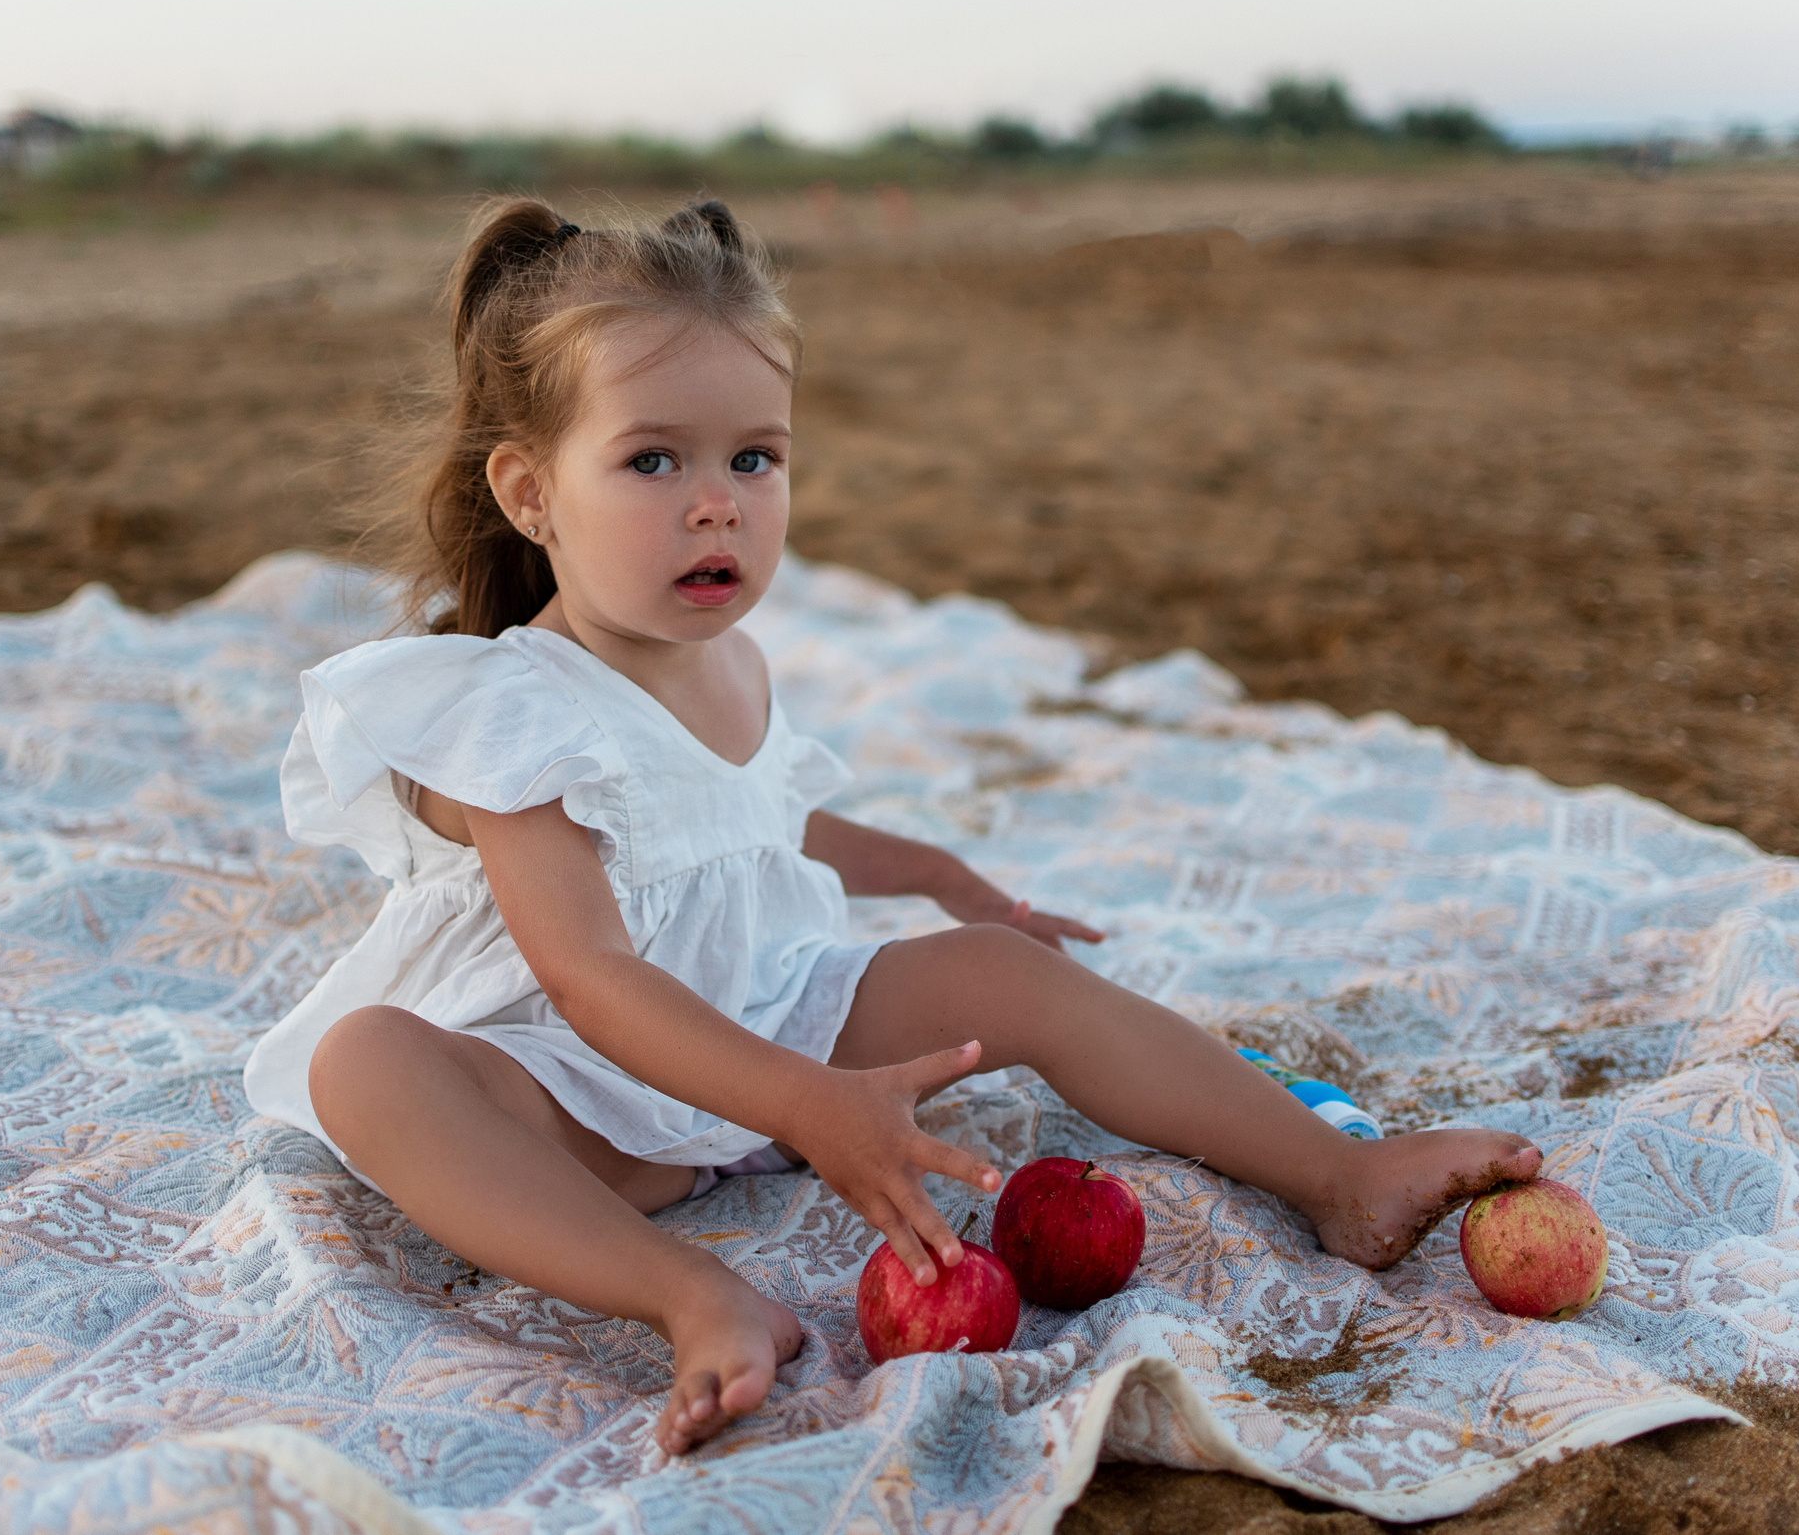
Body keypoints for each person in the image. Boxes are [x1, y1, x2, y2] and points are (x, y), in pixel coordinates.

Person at [242, 198, 1541, 1456]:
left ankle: (1334, 1173)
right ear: (531, 493)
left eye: (755, 455)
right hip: (578, 1105)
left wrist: (934, 875)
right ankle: (690, 1293)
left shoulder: (728, 661)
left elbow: (752, 823)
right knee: (370, 1065)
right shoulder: (508, 711)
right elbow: (589, 977)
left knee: (1001, 976)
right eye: (655, 460)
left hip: (754, 1013)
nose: (720, 503)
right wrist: (810, 1103)